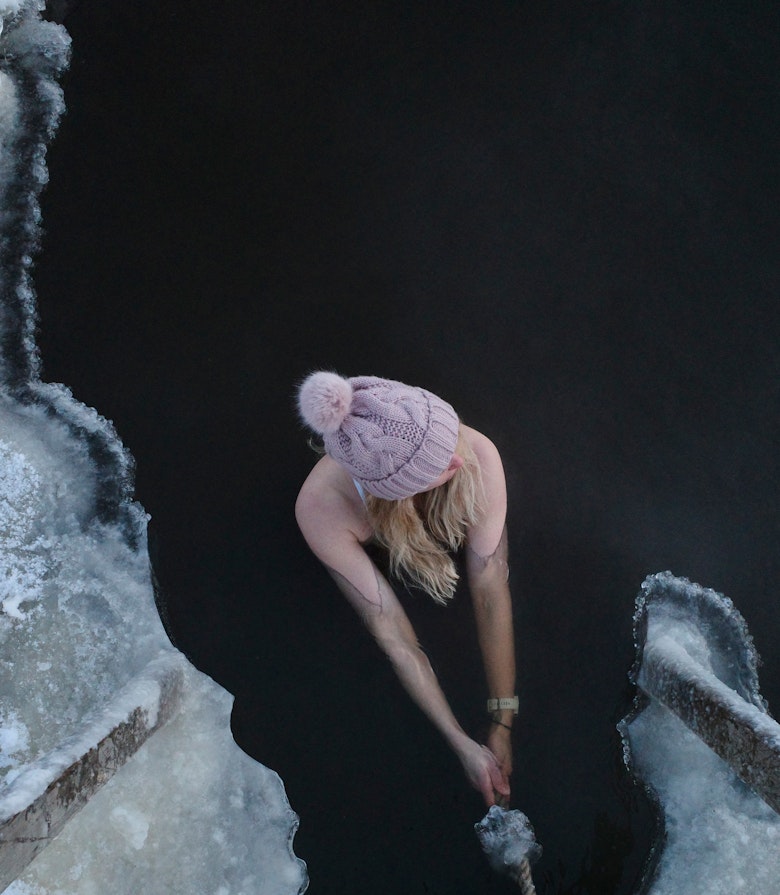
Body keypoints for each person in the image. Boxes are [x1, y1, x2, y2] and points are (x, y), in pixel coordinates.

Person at [294, 371, 517, 807]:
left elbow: (490, 588)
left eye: (448, 438)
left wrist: (502, 717)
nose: (457, 458)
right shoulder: (322, 509)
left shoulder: (473, 453)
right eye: (436, 466)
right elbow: (394, 636)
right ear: (395, 491)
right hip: (381, 521)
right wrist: (461, 743)